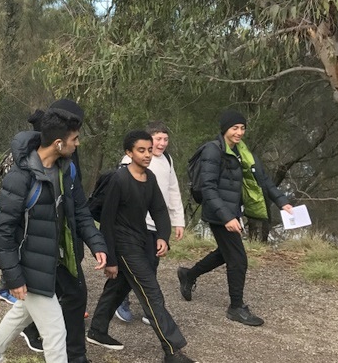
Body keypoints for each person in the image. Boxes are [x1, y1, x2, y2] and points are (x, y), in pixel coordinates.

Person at [0, 108, 107, 363]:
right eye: (74, 139)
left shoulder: (65, 171)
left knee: (23, 312)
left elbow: (80, 212)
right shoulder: (20, 177)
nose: (77, 144)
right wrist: (13, 276)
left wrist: (97, 243)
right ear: (58, 143)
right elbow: (2, 231)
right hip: (29, 265)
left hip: (52, 261)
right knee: (56, 332)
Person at [86, 130, 197, 363]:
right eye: (141, 150)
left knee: (118, 287)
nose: (147, 155)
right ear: (129, 153)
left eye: (149, 150)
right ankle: (172, 350)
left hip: (142, 239)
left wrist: (163, 236)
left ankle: (97, 330)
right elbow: (106, 221)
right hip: (124, 244)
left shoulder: (150, 178)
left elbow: (158, 209)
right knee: (151, 292)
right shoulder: (119, 179)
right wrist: (111, 260)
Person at [177, 110, 293, 327]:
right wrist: (227, 217)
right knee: (238, 260)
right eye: (234, 128)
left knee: (225, 253)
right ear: (225, 130)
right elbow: (209, 188)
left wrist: (282, 202)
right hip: (219, 213)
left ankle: (188, 274)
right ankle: (236, 307)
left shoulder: (243, 152)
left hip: (232, 211)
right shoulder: (213, 151)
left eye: (242, 128)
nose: (239, 132)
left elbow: (264, 180)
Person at [115, 121, 185, 325]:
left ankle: (149, 308)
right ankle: (122, 301)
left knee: (151, 265)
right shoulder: (130, 160)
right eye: (157, 139)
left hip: (157, 224)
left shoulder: (167, 160)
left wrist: (178, 220)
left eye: (165, 139)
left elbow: (173, 191)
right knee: (134, 265)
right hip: (135, 224)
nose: (162, 143)